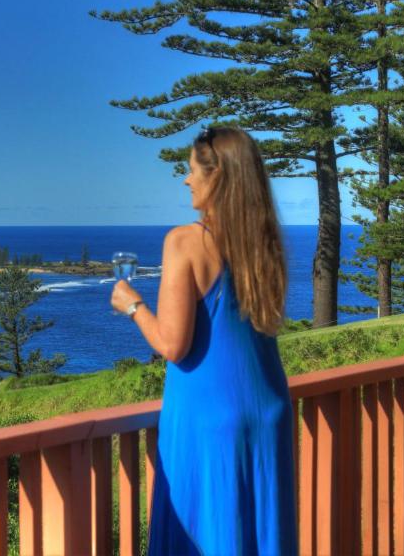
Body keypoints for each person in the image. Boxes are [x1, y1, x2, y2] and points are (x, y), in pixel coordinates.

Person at [110, 127, 298, 555]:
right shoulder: (263, 243)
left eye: (192, 170)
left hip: (209, 423)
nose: (186, 179)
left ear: (218, 177)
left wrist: (133, 305)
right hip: (268, 411)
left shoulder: (185, 241)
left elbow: (173, 345)